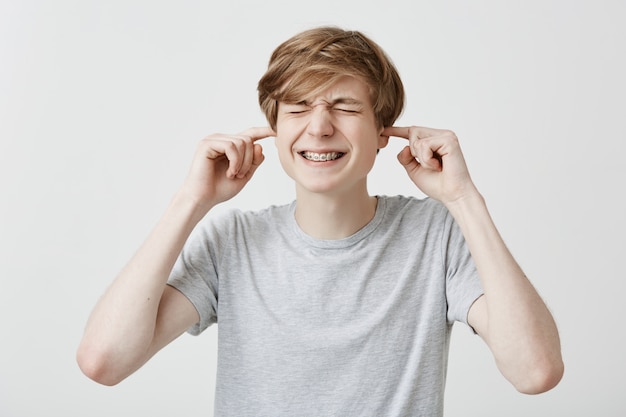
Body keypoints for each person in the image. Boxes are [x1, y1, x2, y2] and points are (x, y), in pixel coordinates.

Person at [77, 26, 563, 416]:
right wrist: (190, 201)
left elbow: (535, 372)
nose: (320, 125)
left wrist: (464, 198)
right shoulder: (233, 241)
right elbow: (104, 362)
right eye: (299, 107)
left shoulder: (436, 235)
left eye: (345, 107)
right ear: (275, 129)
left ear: (382, 133)